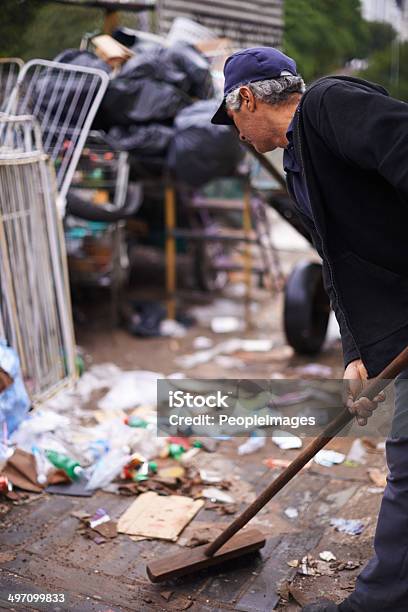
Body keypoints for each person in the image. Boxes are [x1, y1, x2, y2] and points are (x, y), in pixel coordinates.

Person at [211, 46, 408, 612]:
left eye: (233, 120)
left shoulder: (328, 104)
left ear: (247, 98)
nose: (238, 134)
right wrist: (355, 353)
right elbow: (340, 264)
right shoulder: (300, 164)